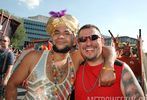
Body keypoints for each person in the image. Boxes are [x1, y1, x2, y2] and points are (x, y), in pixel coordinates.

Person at [6, 11, 116, 100]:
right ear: (52, 38)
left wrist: (109, 66)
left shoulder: (75, 58)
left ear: (75, 41)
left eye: (67, 33)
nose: (61, 36)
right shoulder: (34, 57)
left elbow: (106, 49)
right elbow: (11, 85)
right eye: (56, 32)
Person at [75, 24, 145, 100]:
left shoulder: (120, 69)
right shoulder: (75, 68)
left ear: (102, 41)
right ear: (78, 43)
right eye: (82, 39)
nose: (88, 43)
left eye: (94, 37)